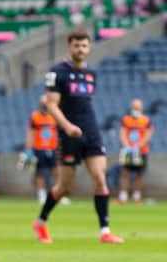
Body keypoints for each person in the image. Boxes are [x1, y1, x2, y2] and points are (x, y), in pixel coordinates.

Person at [32, 30, 124, 244]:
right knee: (64, 188)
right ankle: (41, 221)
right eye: (76, 45)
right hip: (68, 134)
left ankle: (105, 231)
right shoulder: (57, 72)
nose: (80, 49)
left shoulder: (92, 73)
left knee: (100, 178)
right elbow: (51, 104)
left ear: (89, 48)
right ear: (69, 47)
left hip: (91, 131)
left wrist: (83, 126)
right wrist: (67, 126)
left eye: (84, 46)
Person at [20, 95, 70, 205]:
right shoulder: (35, 116)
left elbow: (59, 133)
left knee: (56, 172)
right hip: (39, 148)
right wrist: (28, 149)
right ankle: (41, 194)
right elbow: (30, 133)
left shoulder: (55, 116)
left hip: (53, 148)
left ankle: (58, 194)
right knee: (40, 172)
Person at [116, 98, 154, 204]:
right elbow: (122, 133)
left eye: (137, 107)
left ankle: (137, 196)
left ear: (141, 108)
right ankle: (123, 196)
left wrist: (139, 145)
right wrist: (127, 145)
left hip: (141, 151)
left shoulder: (146, 120)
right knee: (124, 172)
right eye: (134, 107)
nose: (135, 109)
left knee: (140, 173)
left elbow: (148, 134)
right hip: (127, 150)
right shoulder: (126, 119)